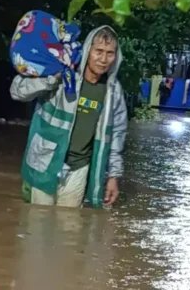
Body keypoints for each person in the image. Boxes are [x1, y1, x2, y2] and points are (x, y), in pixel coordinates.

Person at [10, 25, 127, 208]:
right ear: (88, 50)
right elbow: (17, 91)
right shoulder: (62, 73)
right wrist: (50, 79)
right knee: (37, 226)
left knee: (69, 228)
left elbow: (117, 134)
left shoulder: (113, 91)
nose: (104, 59)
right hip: (45, 161)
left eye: (110, 53)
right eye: (99, 51)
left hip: (79, 168)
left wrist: (113, 177)